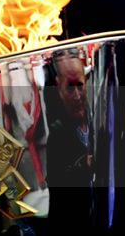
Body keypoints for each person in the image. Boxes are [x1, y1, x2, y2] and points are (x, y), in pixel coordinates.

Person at [46, 49, 94, 234]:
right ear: (59, 87)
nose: (77, 95)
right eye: (70, 87)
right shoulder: (56, 133)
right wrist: (82, 166)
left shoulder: (100, 121)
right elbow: (56, 185)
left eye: (79, 85)